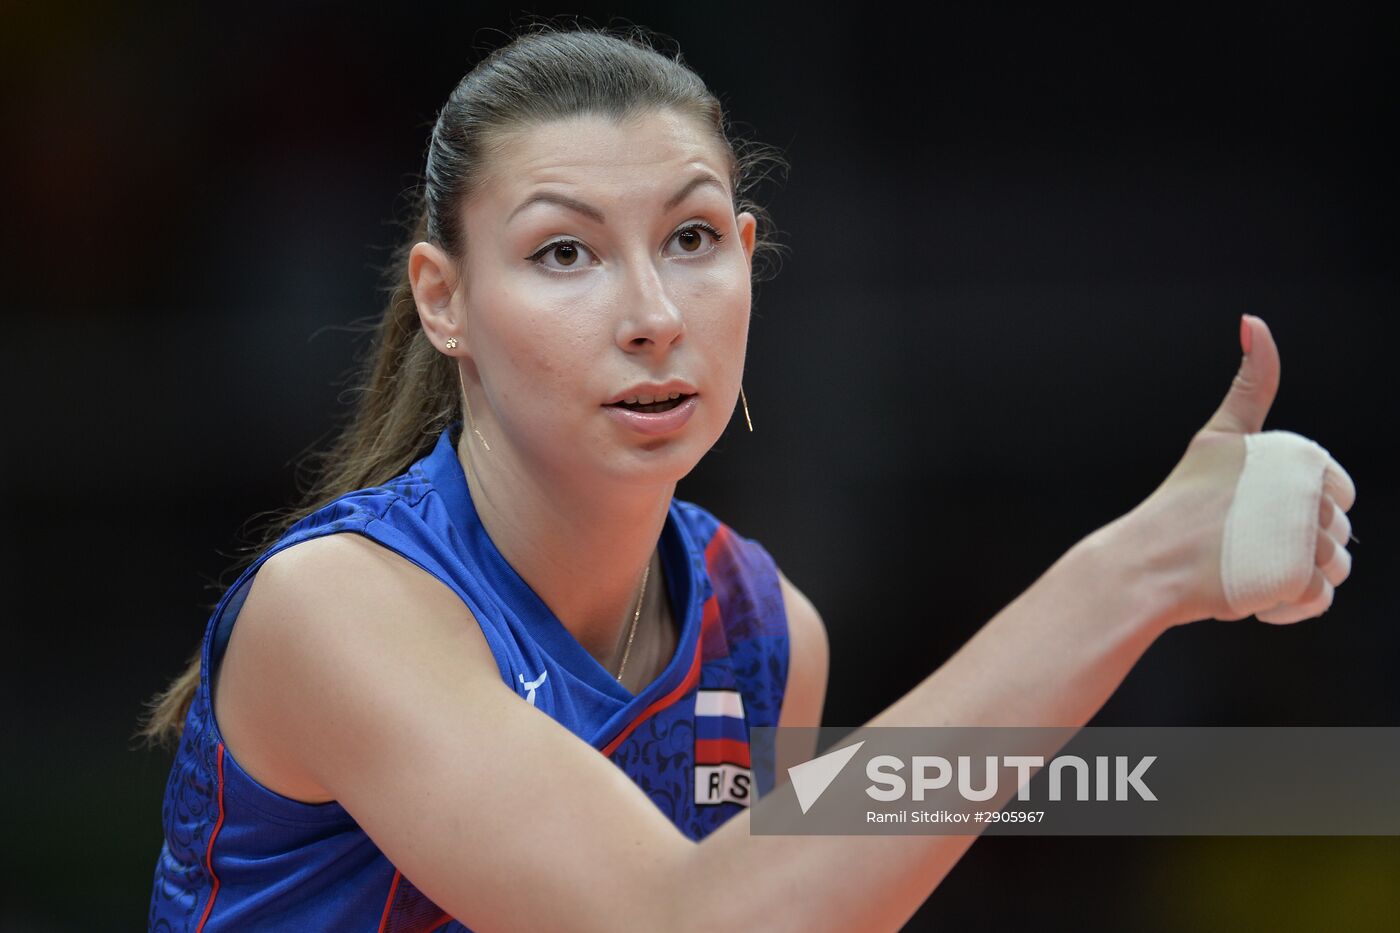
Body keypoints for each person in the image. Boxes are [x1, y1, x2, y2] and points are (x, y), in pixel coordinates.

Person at [140, 26, 1356, 932]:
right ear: (443, 300)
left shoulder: (762, 633)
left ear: (747, 260)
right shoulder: (343, 611)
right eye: (563, 253)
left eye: (692, 238)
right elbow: (678, 921)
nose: (654, 314)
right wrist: (1132, 571)